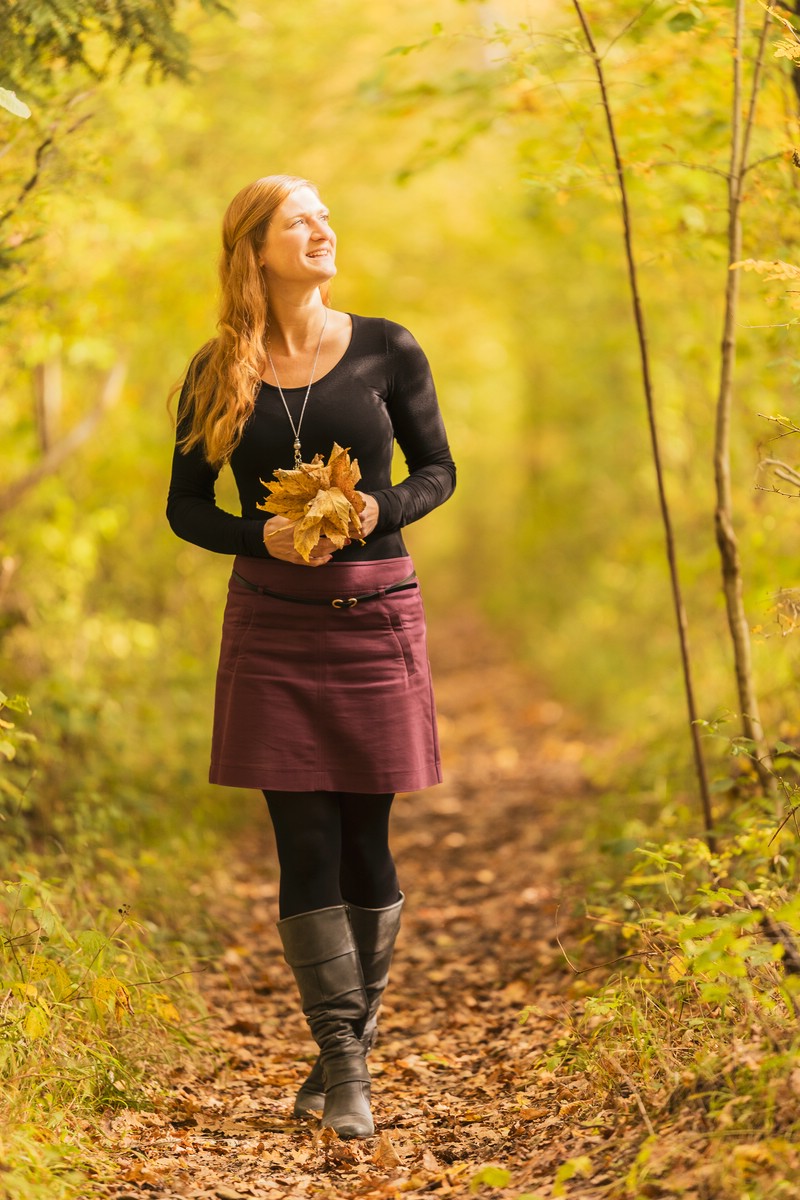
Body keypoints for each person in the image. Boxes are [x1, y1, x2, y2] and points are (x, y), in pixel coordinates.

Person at [166, 175, 455, 1140]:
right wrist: (259, 536)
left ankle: (342, 1060)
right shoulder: (217, 370)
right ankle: (346, 1063)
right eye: (301, 219)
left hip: (376, 618)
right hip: (273, 624)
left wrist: (382, 508)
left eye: (327, 214)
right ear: (256, 248)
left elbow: (438, 469)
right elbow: (186, 506)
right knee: (305, 843)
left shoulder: (386, 348)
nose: (324, 228)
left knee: (367, 838)